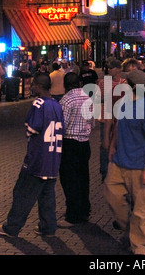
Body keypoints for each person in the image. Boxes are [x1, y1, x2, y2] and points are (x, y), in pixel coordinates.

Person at [0, 73, 64, 237]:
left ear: (39, 87)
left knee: (23, 193)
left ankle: (11, 227)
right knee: (47, 195)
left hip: (38, 158)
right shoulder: (56, 104)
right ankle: (48, 227)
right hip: (53, 158)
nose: (31, 87)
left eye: (33, 84)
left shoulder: (39, 103)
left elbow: (32, 129)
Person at [104, 69, 145, 255]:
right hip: (119, 163)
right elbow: (119, 126)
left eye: (125, 81)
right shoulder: (122, 104)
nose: (122, 83)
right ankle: (126, 226)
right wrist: (112, 146)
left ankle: (141, 249)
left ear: (133, 87)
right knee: (112, 195)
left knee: (141, 210)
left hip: (139, 166)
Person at [58, 73, 94, 226]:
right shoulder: (88, 97)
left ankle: (72, 215)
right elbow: (92, 121)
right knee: (83, 178)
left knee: (69, 180)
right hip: (84, 142)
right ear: (79, 83)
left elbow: (62, 124)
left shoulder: (66, 100)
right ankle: (84, 210)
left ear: (65, 85)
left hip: (70, 142)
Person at [96, 59, 126, 182]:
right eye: (108, 68)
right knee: (105, 144)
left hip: (120, 118)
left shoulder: (124, 83)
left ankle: (117, 170)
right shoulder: (103, 83)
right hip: (106, 117)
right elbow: (98, 98)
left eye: (112, 68)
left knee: (119, 144)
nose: (109, 70)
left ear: (118, 69)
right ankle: (104, 171)